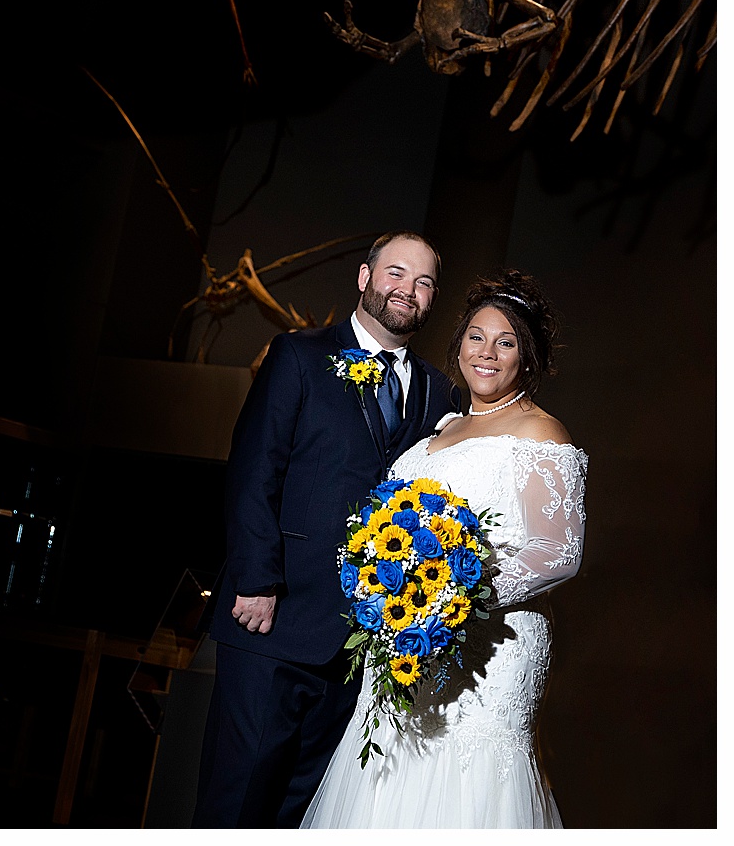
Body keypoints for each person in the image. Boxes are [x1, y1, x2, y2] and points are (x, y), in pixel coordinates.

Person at [194, 231, 460, 828]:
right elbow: (254, 468)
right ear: (364, 278)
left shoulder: (440, 392)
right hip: (274, 620)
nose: (407, 290)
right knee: (237, 806)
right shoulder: (299, 355)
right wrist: (256, 580)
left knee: (301, 813)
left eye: (423, 282)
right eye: (395, 273)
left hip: (358, 649)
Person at [301, 269, 584, 827]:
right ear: (458, 345)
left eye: (506, 343)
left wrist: (448, 598)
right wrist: (392, 592)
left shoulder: (540, 433)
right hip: (405, 648)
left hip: (489, 649)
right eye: (476, 337)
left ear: (526, 358)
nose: (487, 353)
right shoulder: (439, 431)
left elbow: (558, 553)